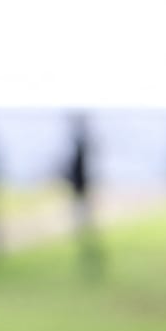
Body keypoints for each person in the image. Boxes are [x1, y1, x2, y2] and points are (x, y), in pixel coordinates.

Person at [64, 114, 104, 276]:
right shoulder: (81, 149)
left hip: (81, 191)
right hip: (81, 190)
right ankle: (89, 250)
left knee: (85, 223)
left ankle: (90, 251)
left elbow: (78, 172)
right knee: (84, 224)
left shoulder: (81, 150)